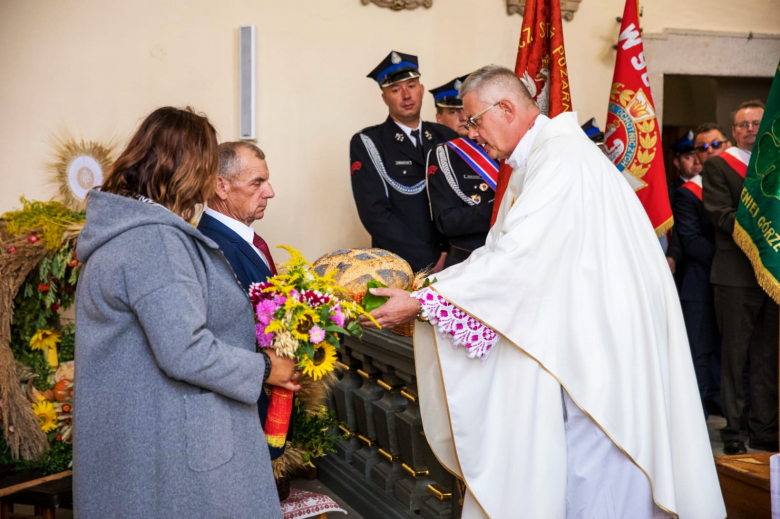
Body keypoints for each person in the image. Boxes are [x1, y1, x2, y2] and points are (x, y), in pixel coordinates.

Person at [364, 66, 724, 518]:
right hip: (586, 340)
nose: (470, 133)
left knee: (601, 474)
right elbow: (500, 253)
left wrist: (423, 302)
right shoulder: (538, 161)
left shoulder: (562, 161)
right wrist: (432, 288)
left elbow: (519, 260)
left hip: (602, 353)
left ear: (508, 108)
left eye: (474, 121)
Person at [74, 107, 300, 519]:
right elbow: (185, 350)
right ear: (188, 166)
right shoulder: (154, 239)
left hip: (149, 437)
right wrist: (268, 368)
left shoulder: (130, 229)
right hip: (173, 454)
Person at [198, 141, 295, 461]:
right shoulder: (215, 246)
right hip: (241, 405)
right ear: (220, 187)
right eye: (257, 183)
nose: (270, 192)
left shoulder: (243, 237)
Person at [702, 99, 777, 454]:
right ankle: (733, 430)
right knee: (733, 357)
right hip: (734, 275)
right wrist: (764, 238)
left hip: (772, 278)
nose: (750, 129)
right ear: (734, 131)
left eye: (756, 123)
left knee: (767, 357)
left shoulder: (774, 167)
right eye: (743, 124)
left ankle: (764, 429)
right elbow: (719, 213)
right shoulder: (719, 165)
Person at [350, 51, 457, 272]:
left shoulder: (445, 137)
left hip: (453, 261)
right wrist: (429, 259)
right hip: (401, 265)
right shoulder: (369, 142)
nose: (406, 95)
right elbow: (375, 214)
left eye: (411, 86)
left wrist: (452, 254)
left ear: (421, 89)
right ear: (384, 98)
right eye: (396, 90)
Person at [672, 134, 721, 419]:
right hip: (698, 283)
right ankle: (695, 417)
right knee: (698, 355)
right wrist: (728, 262)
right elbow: (688, 240)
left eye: (717, 145)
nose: (706, 154)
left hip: (725, 285)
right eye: (701, 150)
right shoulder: (687, 192)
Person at [426, 75, 497, 267]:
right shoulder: (443, 154)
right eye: (453, 112)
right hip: (465, 262)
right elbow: (447, 221)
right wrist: (502, 209)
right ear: (439, 118)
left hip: (509, 260)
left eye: (467, 111)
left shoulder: (502, 147)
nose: (464, 118)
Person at [666, 131, 702, 283]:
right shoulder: (673, 192)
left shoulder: (713, 188)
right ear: (676, 162)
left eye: (698, 156)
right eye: (688, 157)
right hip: (686, 272)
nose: (696, 163)